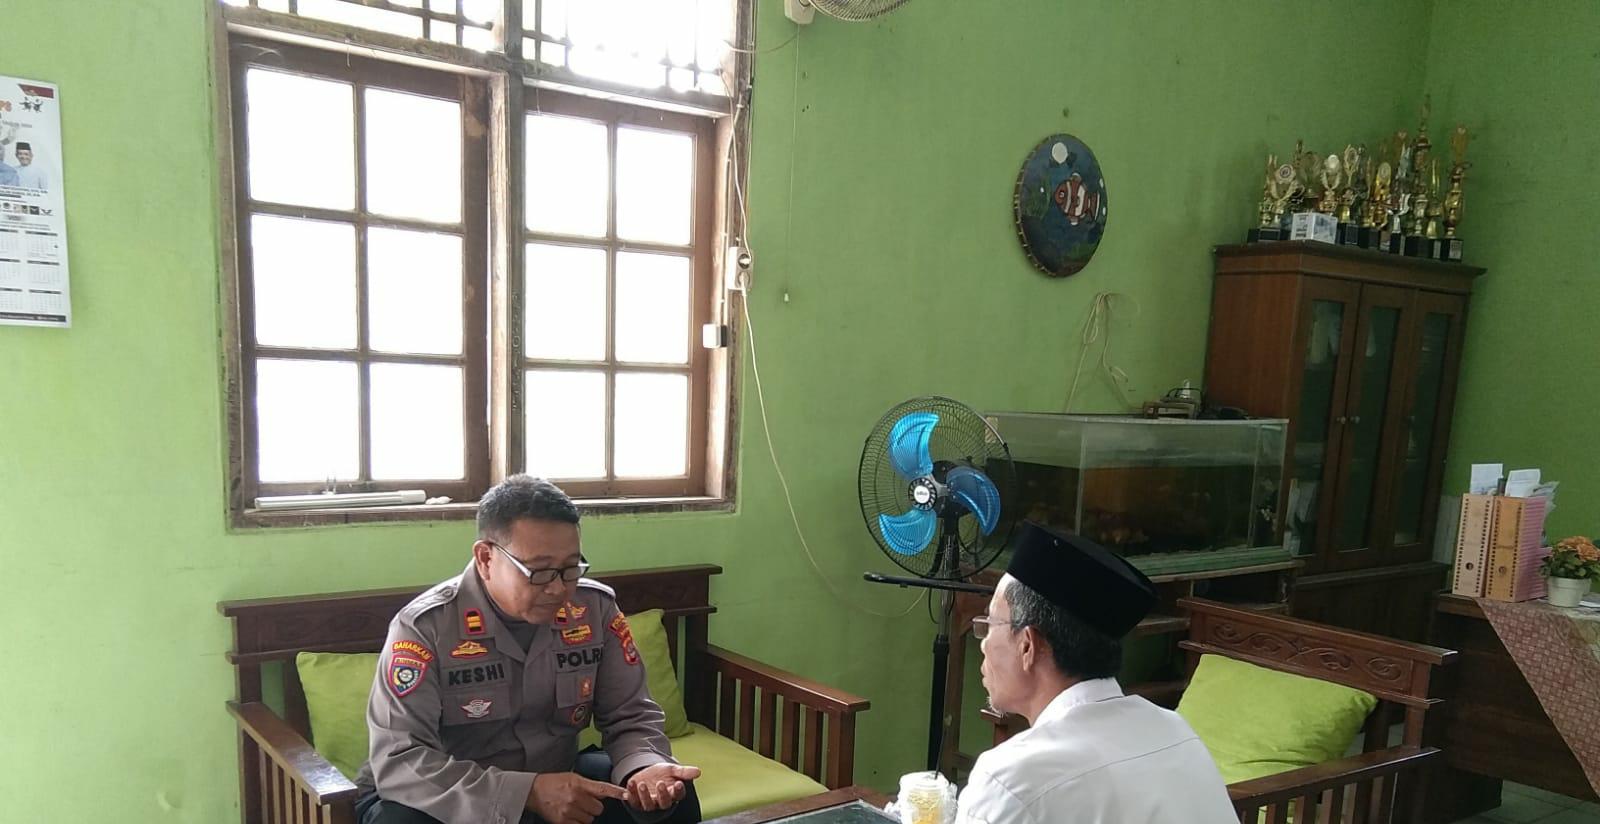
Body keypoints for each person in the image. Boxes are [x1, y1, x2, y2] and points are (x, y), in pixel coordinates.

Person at [355, 475, 703, 824]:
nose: (559, 589)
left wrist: (644, 767)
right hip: (455, 794)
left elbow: (631, 714)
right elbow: (401, 761)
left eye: (571, 568)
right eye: (539, 571)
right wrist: (525, 793)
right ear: (486, 558)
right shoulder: (425, 627)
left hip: (556, 777)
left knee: (669, 798)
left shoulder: (593, 609)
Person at [956, 521, 1236, 824]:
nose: (984, 643)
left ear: (1028, 645)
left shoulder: (1010, 782)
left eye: (991, 625)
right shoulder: (1177, 734)